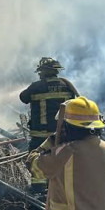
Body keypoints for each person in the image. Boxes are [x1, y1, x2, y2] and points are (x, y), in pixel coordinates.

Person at [19, 57, 79, 197]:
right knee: (62, 162)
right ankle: (60, 191)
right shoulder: (67, 86)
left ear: (43, 72)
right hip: (62, 134)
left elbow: (23, 98)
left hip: (40, 136)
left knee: (37, 164)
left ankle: (39, 196)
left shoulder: (36, 86)